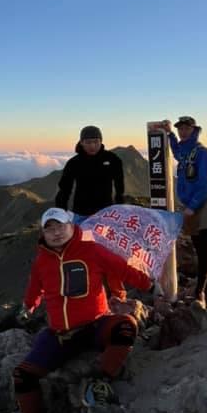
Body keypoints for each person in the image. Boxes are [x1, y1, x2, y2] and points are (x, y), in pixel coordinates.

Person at [13, 207, 156, 413]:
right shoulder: (41, 262)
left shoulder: (92, 250)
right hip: (60, 335)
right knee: (22, 375)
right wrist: (29, 307)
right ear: (43, 234)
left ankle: (102, 381)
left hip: (95, 326)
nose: (56, 232)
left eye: (60, 226)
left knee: (126, 326)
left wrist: (150, 286)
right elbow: (35, 289)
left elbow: (123, 268)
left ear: (71, 226)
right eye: (49, 229)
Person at [55, 125, 126, 300]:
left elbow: (120, 188)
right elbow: (64, 189)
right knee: (81, 256)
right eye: (88, 142)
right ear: (81, 142)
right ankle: (85, 295)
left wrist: (120, 210)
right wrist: (60, 214)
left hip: (106, 216)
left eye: (96, 141)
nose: (92, 145)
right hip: (81, 216)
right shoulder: (74, 163)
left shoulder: (112, 159)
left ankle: (118, 295)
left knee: (110, 255)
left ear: (101, 141)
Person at [163, 116, 207, 309]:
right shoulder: (185, 150)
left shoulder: (202, 153)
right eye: (180, 129)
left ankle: (200, 293)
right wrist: (170, 135)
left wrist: (192, 206)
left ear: (194, 129)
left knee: (204, 248)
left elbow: (205, 184)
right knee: (198, 247)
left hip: (205, 204)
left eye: (186, 128)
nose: (183, 132)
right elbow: (177, 152)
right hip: (191, 206)